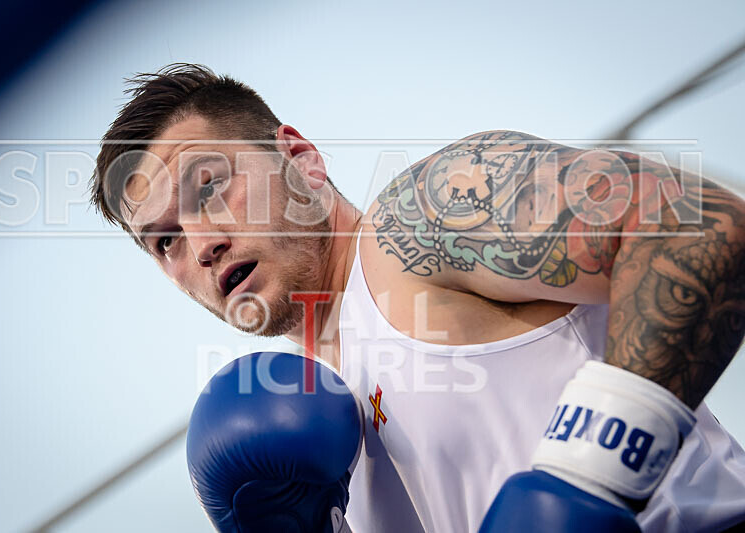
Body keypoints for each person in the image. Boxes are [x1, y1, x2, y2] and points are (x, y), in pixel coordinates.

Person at [90, 63, 745, 532]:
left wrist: (590, 474)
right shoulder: (302, 441)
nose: (200, 244)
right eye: (164, 239)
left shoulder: (420, 221)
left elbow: (699, 225)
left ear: (300, 157)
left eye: (209, 188)